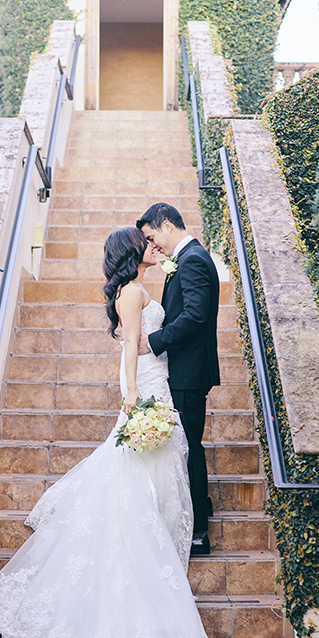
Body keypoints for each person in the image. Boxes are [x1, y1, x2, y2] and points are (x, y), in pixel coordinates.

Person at [0, 226, 223, 638]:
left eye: (154, 240)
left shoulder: (142, 287)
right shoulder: (132, 292)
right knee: (138, 472)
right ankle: (143, 546)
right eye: (144, 242)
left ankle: (158, 538)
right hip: (147, 386)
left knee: (160, 469)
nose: (153, 246)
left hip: (160, 382)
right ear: (132, 252)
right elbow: (130, 346)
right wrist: (131, 396)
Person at [136, 204, 220, 557]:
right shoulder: (187, 260)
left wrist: (154, 341)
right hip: (184, 369)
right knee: (185, 445)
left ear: (167, 225)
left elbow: (196, 315)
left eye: (153, 237)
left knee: (189, 448)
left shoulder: (194, 260)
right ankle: (200, 503)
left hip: (188, 372)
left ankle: (198, 530)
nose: (153, 246)